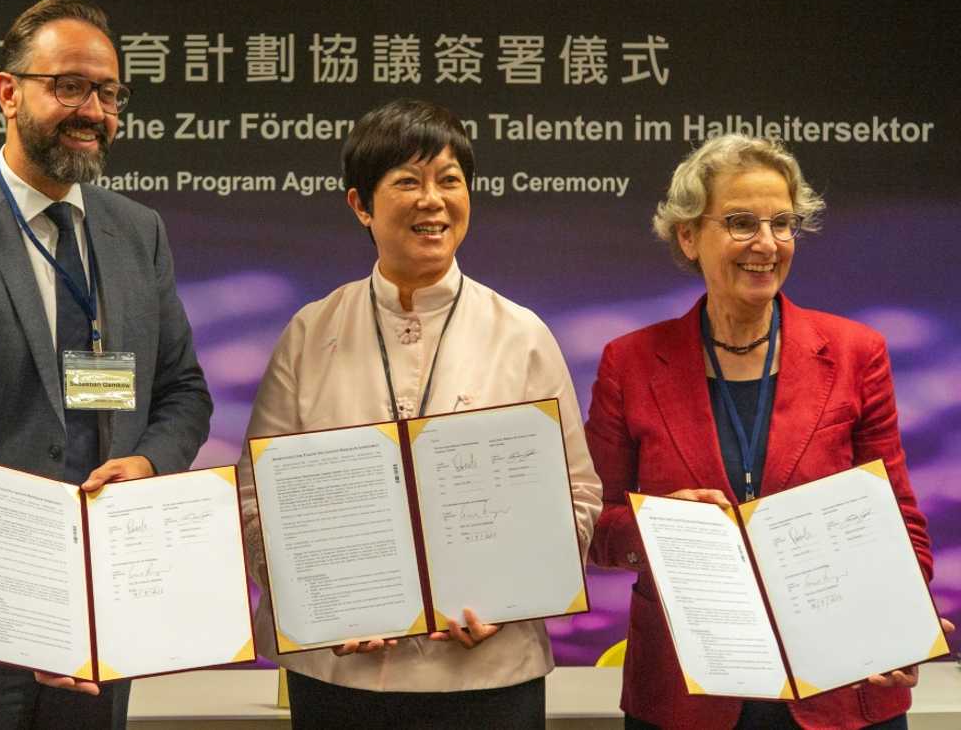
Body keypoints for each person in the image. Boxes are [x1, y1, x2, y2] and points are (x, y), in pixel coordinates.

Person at [0, 0, 212, 729]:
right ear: (7, 92)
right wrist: (30, 613)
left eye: (108, 91)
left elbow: (184, 393)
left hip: (101, 622)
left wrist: (147, 464)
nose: (93, 109)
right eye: (70, 87)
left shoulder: (137, 232)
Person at [237, 98, 603, 729]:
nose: (433, 200)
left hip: (489, 671)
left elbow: (578, 496)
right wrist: (319, 605)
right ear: (360, 205)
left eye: (450, 181)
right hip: (338, 671)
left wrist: (511, 599)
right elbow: (256, 498)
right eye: (407, 181)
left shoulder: (521, 334)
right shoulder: (309, 331)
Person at [586, 133, 952, 730]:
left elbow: (898, 515)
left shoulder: (858, 353)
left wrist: (903, 619)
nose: (766, 244)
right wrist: (659, 526)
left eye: (782, 224)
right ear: (687, 235)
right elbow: (593, 526)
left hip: (841, 680)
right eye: (739, 222)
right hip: (688, 692)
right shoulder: (628, 363)